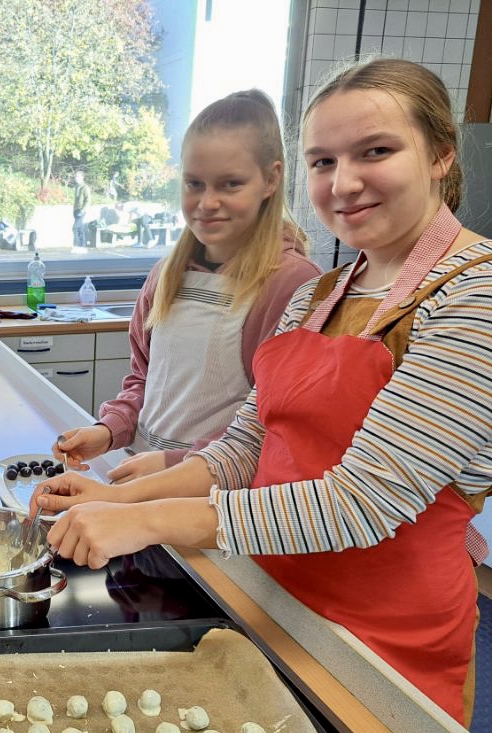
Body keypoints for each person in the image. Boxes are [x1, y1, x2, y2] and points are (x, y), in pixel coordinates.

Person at [33, 59, 491, 726]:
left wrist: (149, 519)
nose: (344, 182)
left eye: (376, 152)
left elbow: (361, 502)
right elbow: (245, 448)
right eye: (324, 161)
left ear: (441, 154)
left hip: (382, 642)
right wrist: (117, 495)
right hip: (267, 598)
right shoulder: (317, 295)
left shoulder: (474, 296)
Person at [54, 90, 320, 484]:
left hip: (212, 499)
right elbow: (145, 380)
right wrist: (109, 430)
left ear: (271, 179)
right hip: (138, 484)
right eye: (194, 183)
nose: (207, 202)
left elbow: (272, 424)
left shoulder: (289, 284)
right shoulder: (167, 274)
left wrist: (174, 463)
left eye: (230, 184)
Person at [72, 170, 91, 248]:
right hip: (76, 210)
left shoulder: (85, 187)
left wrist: (82, 210)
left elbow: (88, 200)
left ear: (82, 177)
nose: (75, 178)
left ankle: (76, 245)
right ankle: (82, 245)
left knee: (75, 228)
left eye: (77, 176)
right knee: (80, 229)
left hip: (81, 210)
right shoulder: (77, 187)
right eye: (75, 176)